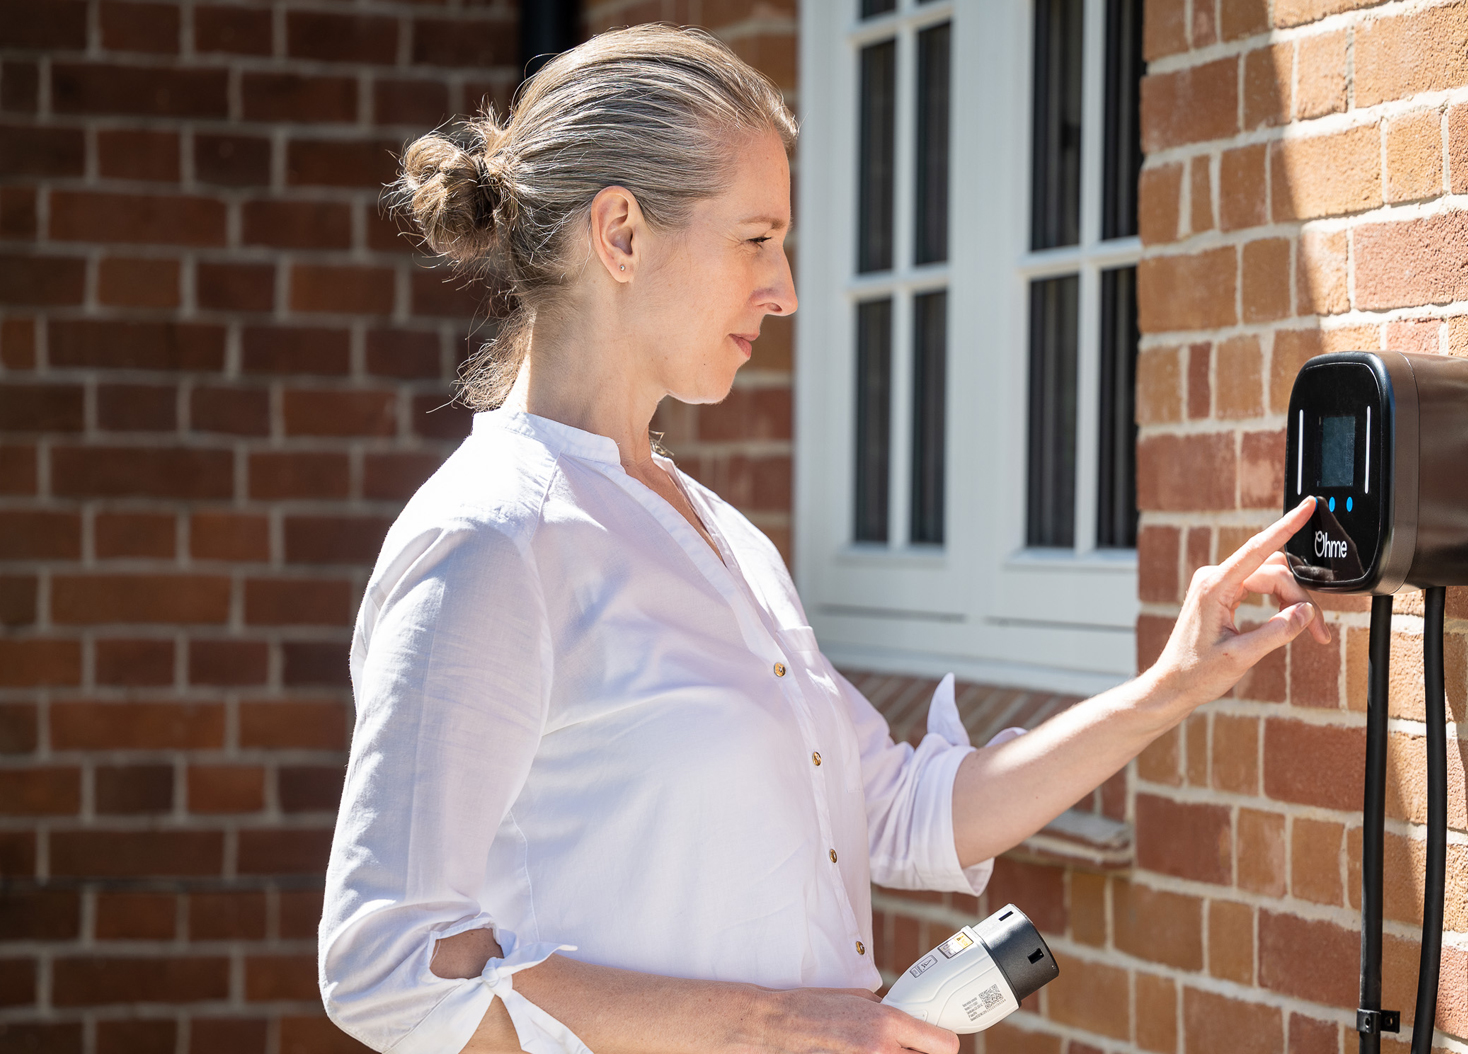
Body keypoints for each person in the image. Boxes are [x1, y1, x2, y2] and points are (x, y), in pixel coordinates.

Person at [317, 24, 1326, 1054]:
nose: (786, 288)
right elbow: (390, 969)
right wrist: (775, 1027)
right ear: (619, 233)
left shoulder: (725, 539)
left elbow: (903, 810)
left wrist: (1166, 687)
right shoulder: (490, 540)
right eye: (756, 238)